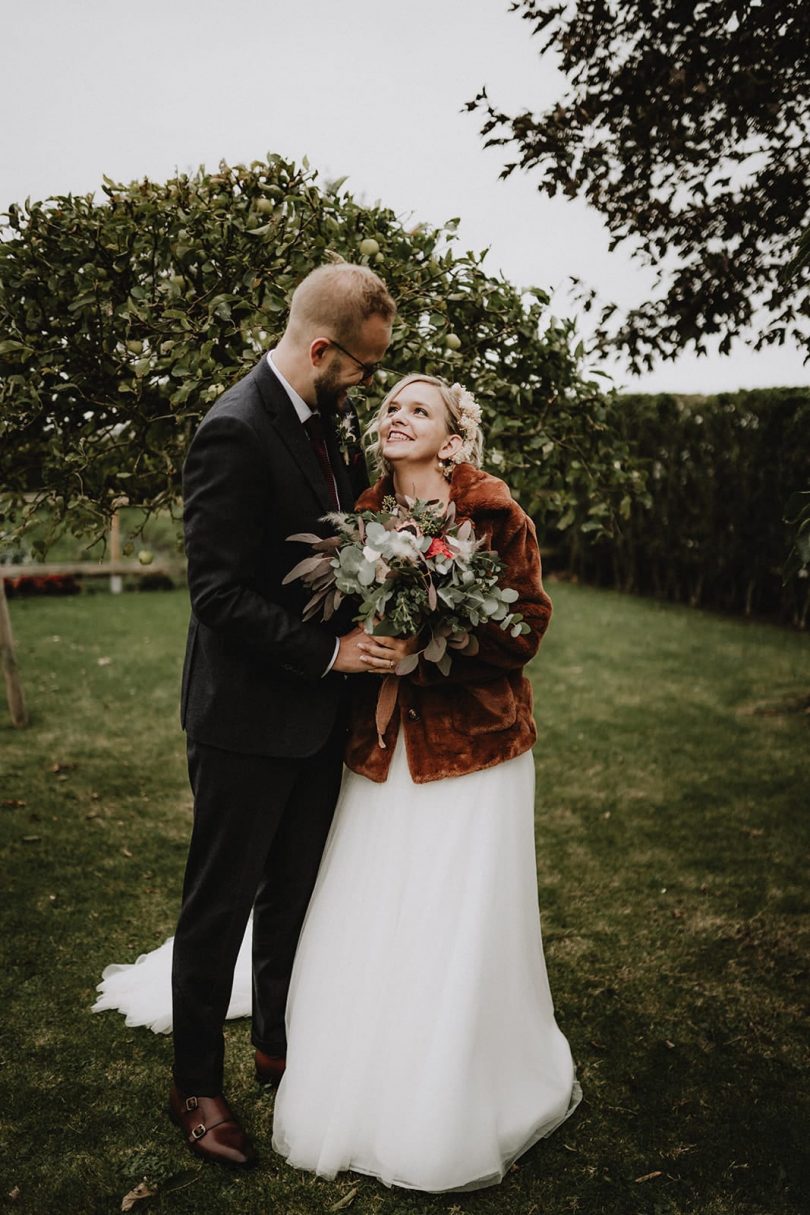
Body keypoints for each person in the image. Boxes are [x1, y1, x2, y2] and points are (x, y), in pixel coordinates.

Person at [94, 371, 581, 1191]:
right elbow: (326, 623)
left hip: (472, 751)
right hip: (375, 751)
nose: (394, 414)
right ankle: (359, 1053)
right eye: (390, 404)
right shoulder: (356, 519)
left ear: (454, 440)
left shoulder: (496, 513)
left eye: (418, 409)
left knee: (452, 912)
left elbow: (525, 624)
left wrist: (434, 651)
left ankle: (457, 1069)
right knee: (373, 904)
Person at [166, 262, 406, 1167]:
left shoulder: (327, 422)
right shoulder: (231, 431)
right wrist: (330, 652)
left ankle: (276, 1042)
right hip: (242, 719)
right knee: (219, 901)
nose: (369, 383)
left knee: (294, 891)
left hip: (317, 721)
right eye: (362, 366)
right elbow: (217, 594)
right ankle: (194, 1084)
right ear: (318, 348)